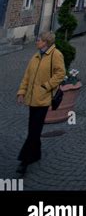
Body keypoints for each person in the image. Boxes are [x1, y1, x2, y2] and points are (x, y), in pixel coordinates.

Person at [16, 31, 66, 175]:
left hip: (43, 99)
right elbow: (27, 75)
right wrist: (21, 91)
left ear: (46, 42)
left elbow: (60, 74)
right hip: (32, 99)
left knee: (33, 131)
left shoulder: (55, 55)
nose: (36, 41)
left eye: (39, 40)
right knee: (34, 127)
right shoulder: (36, 56)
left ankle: (24, 160)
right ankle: (36, 153)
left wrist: (46, 86)